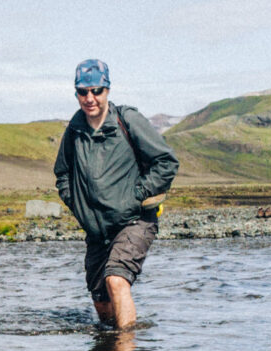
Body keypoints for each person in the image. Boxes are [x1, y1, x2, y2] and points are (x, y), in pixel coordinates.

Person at [53, 59, 179, 329]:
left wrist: (136, 195)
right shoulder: (74, 130)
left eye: (96, 91)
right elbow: (62, 174)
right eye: (82, 92)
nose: (90, 98)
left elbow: (166, 163)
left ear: (107, 90)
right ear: (76, 93)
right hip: (98, 231)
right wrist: (77, 205)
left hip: (135, 221)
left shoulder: (127, 120)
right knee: (101, 301)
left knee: (116, 280)